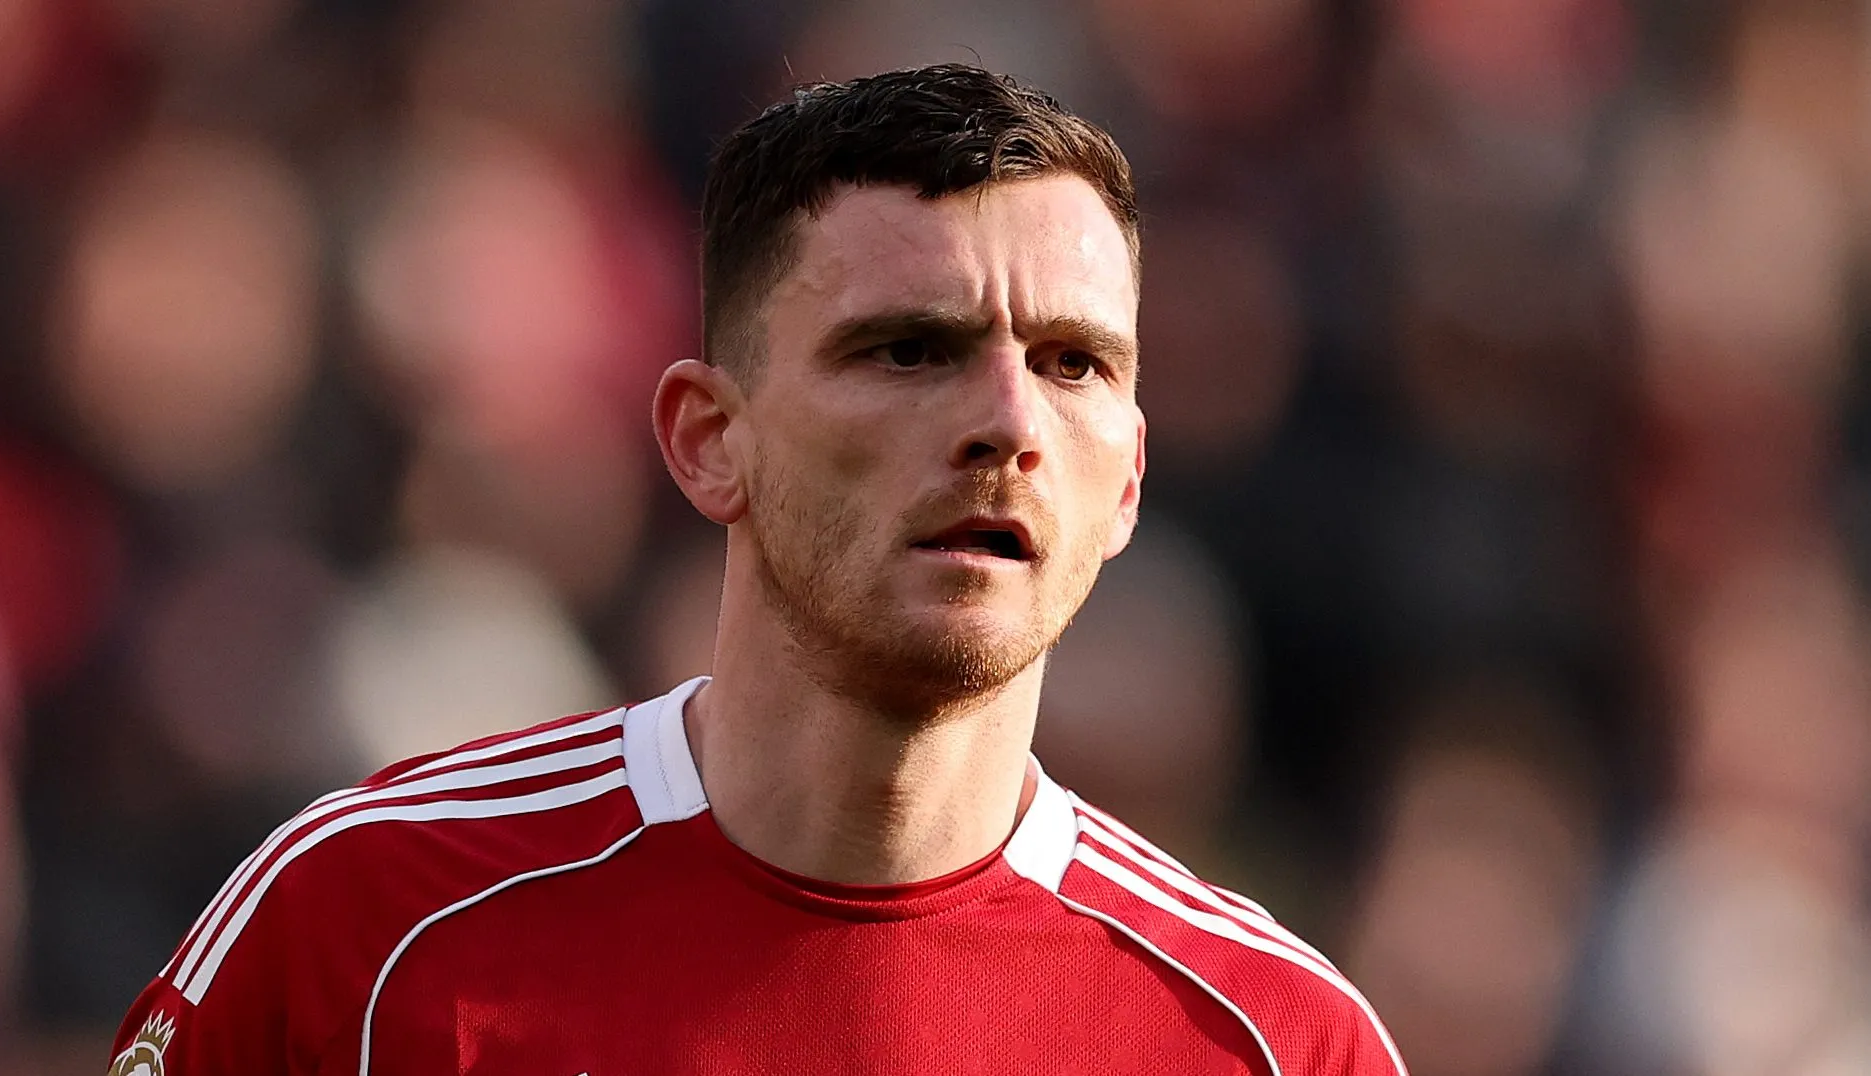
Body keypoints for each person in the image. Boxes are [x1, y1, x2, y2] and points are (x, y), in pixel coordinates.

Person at [108, 64, 1406, 1075]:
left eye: (1073, 364)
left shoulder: (1272, 1038)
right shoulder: (361, 920)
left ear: (1123, 480)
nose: (1008, 424)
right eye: (907, 350)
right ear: (707, 443)